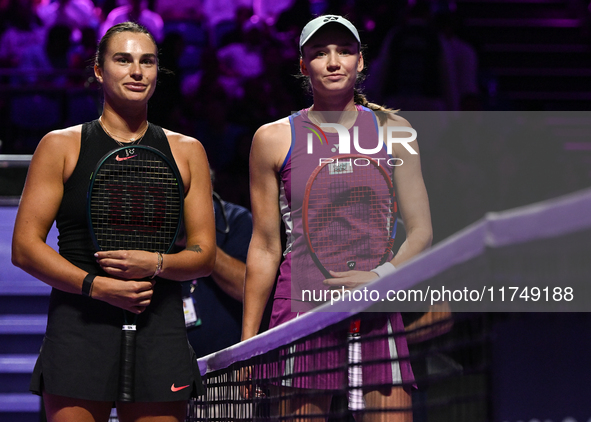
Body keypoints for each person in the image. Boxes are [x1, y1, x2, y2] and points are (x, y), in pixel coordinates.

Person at [11, 22, 216, 422]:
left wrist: (157, 264)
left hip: (159, 327)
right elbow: (25, 248)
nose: (137, 71)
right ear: (100, 70)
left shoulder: (188, 151)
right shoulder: (60, 145)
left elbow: (204, 255)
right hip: (80, 324)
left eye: (148, 61)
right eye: (123, 60)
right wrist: (96, 286)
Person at [242, 14, 432, 422]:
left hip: (377, 309)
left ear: (360, 62)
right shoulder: (272, 138)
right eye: (320, 53)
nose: (333, 62)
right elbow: (265, 245)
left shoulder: (396, 130)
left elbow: (420, 232)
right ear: (302, 65)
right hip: (301, 311)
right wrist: (247, 343)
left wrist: (381, 278)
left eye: (344, 51)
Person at [185, 170, 253, 358]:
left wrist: (201, 244)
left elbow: (247, 289)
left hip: (227, 363)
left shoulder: (236, 219)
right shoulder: (158, 226)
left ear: (209, 188)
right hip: (173, 366)